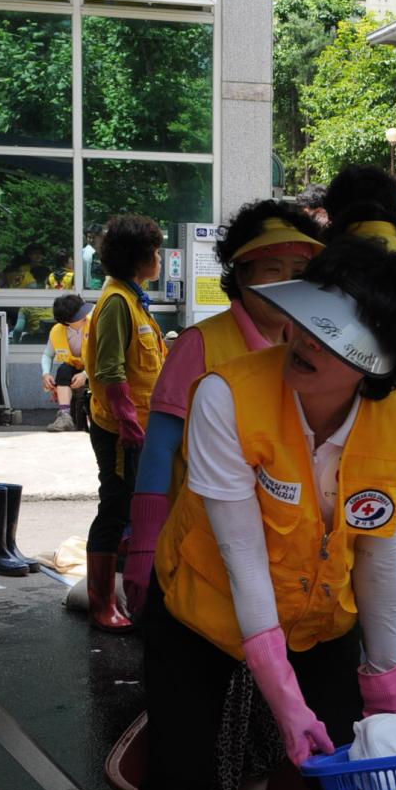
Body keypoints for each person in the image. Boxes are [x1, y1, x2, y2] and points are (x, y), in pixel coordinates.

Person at [135, 236, 396, 790]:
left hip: (318, 620)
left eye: (328, 338)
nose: (301, 340)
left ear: (375, 364)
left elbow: (376, 560)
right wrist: (283, 700)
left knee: (347, 787)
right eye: (303, 323)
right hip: (201, 610)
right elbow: (241, 564)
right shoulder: (225, 396)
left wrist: (388, 690)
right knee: (180, 776)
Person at [123, 199, 325, 618]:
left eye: (299, 274)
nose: (287, 284)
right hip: (201, 552)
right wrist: (144, 546)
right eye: (273, 270)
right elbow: (159, 450)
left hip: (282, 556)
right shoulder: (201, 344)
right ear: (243, 274)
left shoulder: (310, 349)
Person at [82, 214, 169, 633]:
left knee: (132, 507)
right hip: (121, 431)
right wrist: (129, 422)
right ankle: (101, 605)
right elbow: (112, 371)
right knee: (114, 510)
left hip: (139, 428)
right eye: (155, 251)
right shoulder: (117, 302)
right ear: (140, 257)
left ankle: (126, 592)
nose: (159, 258)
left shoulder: (132, 299)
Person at [41, 293, 90, 433]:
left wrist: (85, 374)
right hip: (74, 368)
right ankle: (64, 416)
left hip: (97, 367)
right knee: (63, 370)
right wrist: (45, 373)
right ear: (67, 321)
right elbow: (47, 354)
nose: (85, 314)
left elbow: (105, 356)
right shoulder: (57, 331)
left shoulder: (96, 323)